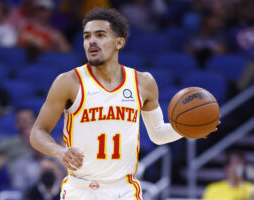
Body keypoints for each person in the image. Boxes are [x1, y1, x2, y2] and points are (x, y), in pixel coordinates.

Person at [30, 7, 219, 200]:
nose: (92, 41)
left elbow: (158, 134)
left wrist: (189, 129)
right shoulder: (68, 82)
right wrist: (59, 151)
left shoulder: (143, 82)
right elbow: (37, 132)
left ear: (119, 42)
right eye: (87, 37)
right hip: (81, 189)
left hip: (123, 190)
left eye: (100, 35)